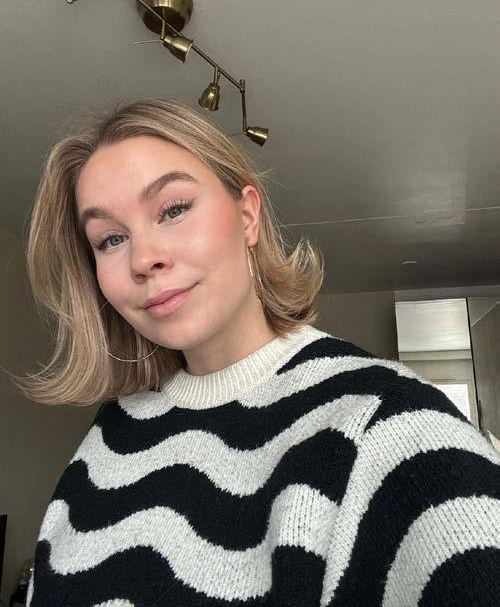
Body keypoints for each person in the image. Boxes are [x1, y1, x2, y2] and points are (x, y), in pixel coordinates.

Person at [9, 97, 499, 606]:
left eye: (173, 210)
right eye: (110, 239)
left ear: (247, 215)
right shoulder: (112, 434)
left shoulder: (386, 422)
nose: (143, 258)